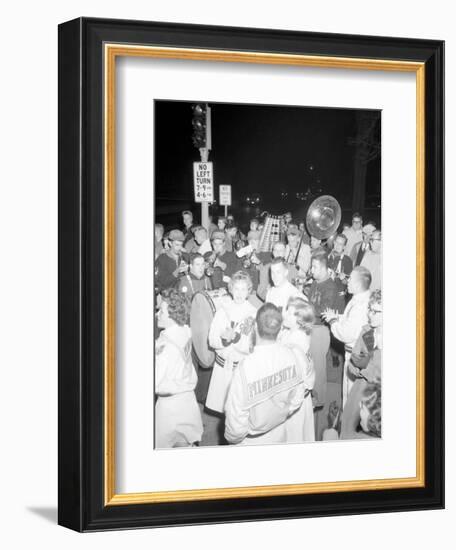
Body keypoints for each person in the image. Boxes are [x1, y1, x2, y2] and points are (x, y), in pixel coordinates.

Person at [224, 303, 306, 445]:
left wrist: (234, 440)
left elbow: (235, 418)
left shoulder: (245, 368)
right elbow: (298, 397)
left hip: (251, 440)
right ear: (280, 330)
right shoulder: (293, 355)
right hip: (280, 432)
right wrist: (283, 414)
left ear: (255, 328)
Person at [155, 288, 203, 448]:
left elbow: (154, 381)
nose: (157, 314)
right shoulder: (185, 330)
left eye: (161, 311)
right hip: (188, 400)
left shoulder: (165, 345)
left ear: (172, 315)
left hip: (168, 407)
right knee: (186, 444)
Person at [205, 271, 257, 414]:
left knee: (236, 411)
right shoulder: (223, 310)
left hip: (238, 370)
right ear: (231, 289)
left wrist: (236, 338)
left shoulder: (251, 314)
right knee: (222, 409)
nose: (239, 293)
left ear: (248, 291)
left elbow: (250, 347)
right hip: (221, 368)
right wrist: (223, 340)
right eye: (236, 288)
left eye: (243, 289)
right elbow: (212, 339)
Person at [322, 266, 372, 406]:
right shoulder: (360, 298)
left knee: (351, 399)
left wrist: (332, 321)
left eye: (350, 279)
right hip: (355, 355)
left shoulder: (360, 305)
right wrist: (336, 316)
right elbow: (349, 319)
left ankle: (348, 427)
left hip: (355, 357)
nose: (347, 281)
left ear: (357, 284)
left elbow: (347, 334)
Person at [341, 289, 382, 439]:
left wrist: (368, 365)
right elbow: (353, 360)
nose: (370, 314)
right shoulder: (367, 332)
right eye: (370, 309)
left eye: (376, 311)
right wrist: (355, 366)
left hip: (379, 390)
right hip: (361, 384)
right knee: (347, 424)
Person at [306, 252, 344, 409]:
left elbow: (323, 310)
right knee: (310, 363)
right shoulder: (316, 282)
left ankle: (319, 398)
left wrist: (305, 308)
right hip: (311, 327)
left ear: (322, 268)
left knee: (319, 367)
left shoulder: (330, 286)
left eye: (314, 267)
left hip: (320, 330)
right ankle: (311, 392)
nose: (311, 270)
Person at [279, 298, 316, 442]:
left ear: (299, 319)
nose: (285, 315)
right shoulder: (292, 332)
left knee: (294, 436)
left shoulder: (297, 341)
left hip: (296, 396)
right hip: (298, 392)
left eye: (290, 313)